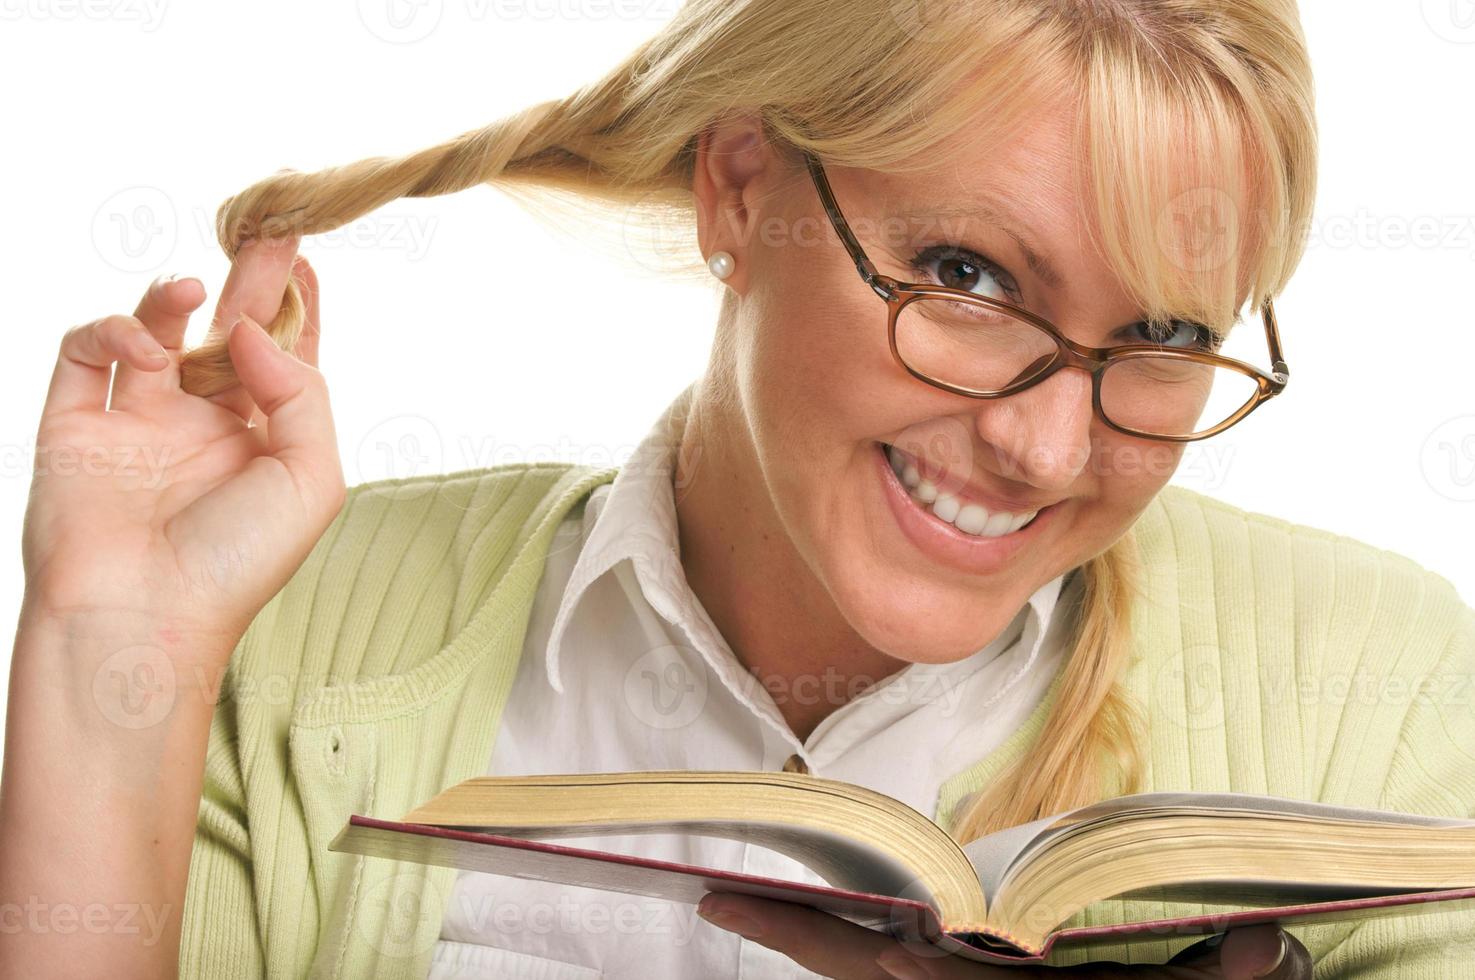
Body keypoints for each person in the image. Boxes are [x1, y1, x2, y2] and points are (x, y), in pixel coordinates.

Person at [2, 1, 1470, 978]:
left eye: (1164, 338)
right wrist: (109, 644)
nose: (1041, 447)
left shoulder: (1387, 687)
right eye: (967, 277)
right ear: (741, 188)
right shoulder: (283, 628)